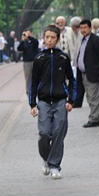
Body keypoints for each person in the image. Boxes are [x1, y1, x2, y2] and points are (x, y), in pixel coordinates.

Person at [29, 25, 76, 179]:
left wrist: (71, 100)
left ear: (57, 39)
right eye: (46, 37)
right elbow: (33, 82)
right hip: (43, 101)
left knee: (58, 132)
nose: (49, 40)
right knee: (44, 133)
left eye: (52, 38)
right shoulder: (39, 58)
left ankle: (55, 166)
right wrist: (32, 104)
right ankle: (46, 158)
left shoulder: (63, 58)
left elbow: (72, 80)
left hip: (60, 100)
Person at [76, 19, 99, 128]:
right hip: (85, 74)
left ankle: (93, 119)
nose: (83, 30)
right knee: (90, 97)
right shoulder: (83, 40)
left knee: (95, 98)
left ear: (90, 28)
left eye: (85, 28)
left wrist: (98, 69)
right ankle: (97, 118)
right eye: (81, 28)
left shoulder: (96, 40)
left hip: (95, 73)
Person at [18, 29, 40, 94]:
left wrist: (29, 37)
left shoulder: (34, 41)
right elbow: (19, 48)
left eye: (28, 33)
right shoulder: (24, 43)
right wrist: (23, 40)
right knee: (28, 77)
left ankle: (37, 90)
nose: (26, 35)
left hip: (35, 61)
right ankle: (28, 91)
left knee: (36, 76)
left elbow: (36, 43)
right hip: (27, 62)